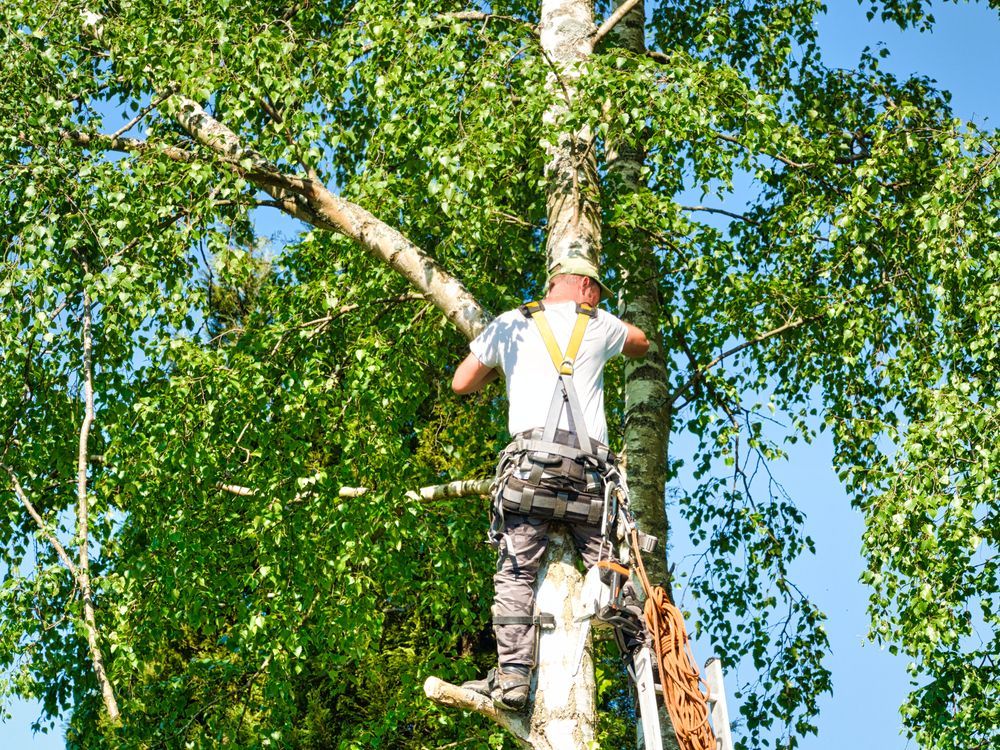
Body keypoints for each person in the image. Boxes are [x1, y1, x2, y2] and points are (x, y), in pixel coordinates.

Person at [451, 257, 650, 710]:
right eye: (597, 290)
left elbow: (462, 382)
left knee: (516, 571)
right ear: (584, 286)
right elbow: (641, 342)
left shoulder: (510, 325)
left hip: (529, 475)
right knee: (609, 565)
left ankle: (515, 679)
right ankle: (647, 657)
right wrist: (608, 322)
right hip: (589, 480)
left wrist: (504, 365)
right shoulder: (599, 323)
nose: (598, 298)